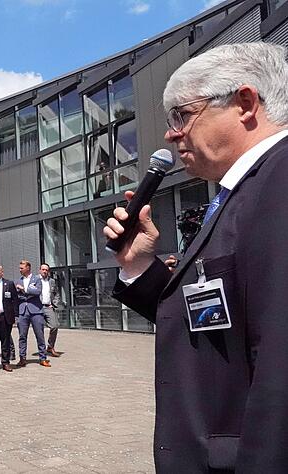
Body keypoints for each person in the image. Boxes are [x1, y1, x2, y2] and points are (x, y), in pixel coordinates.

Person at [104, 42, 288, 471]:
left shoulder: (279, 183)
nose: (171, 133)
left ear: (245, 104)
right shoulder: (242, 193)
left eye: (182, 115)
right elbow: (215, 324)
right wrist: (139, 267)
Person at [16, 260, 49, 368]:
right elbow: (17, 296)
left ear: (28, 268)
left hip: (36, 311)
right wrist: (27, 292)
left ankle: (43, 358)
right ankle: (22, 358)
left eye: (22, 268)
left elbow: (37, 292)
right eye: (20, 268)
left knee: (39, 335)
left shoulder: (37, 279)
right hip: (23, 311)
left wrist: (24, 290)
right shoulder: (18, 281)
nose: (20, 270)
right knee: (22, 336)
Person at [39, 264, 62, 358]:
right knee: (39, 329)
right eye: (43, 269)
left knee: (55, 326)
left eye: (46, 270)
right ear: (40, 270)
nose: (44, 271)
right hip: (38, 308)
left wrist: (54, 303)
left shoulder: (52, 281)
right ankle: (41, 350)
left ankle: (50, 346)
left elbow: (56, 293)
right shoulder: (35, 280)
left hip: (48, 307)